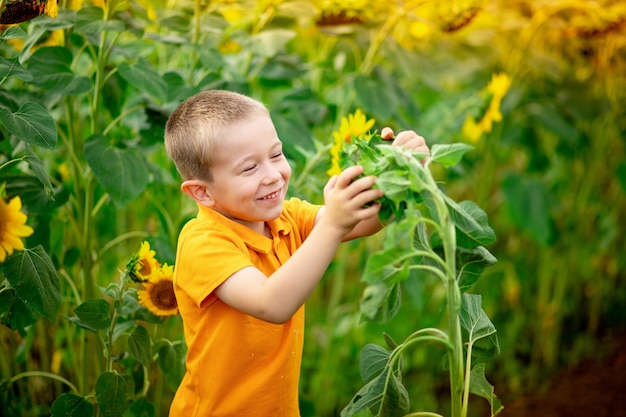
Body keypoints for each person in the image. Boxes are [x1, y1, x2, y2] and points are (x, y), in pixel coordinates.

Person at [164, 89, 429, 417]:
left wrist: (403, 173)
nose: (273, 174)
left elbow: (364, 222)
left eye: (276, 155)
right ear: (202, 192)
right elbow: (271, 304)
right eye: (249, 169)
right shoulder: (202, 242)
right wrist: (332, 223)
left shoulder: (285, 218)